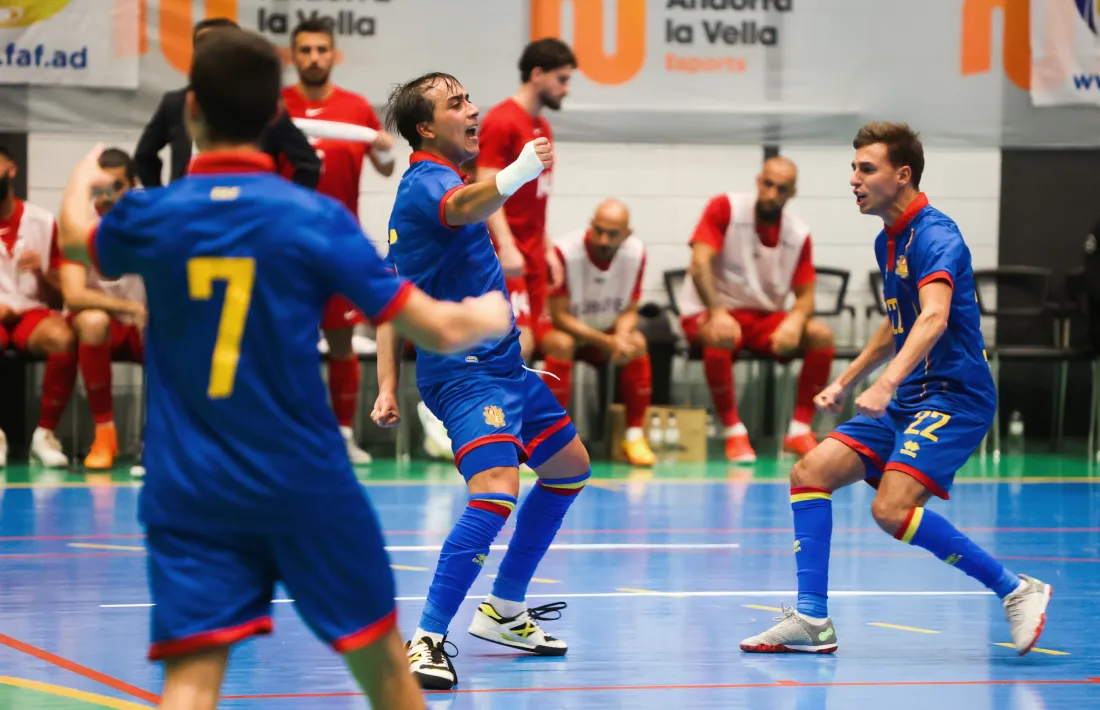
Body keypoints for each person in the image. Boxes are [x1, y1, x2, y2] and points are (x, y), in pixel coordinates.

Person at [57, 29, 512, 710]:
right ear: (278, 116)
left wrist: (84, 173)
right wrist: (482, 317)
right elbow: (429, 322)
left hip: (191, 487)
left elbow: (73, 237)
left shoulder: (153, 215)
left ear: (190, 113)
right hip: (303, 480)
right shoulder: (313, 217)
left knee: (191, 679)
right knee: (387, 670)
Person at [739, 122, 1052, 656]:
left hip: (953, 398)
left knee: (890, 510)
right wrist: (848, 377)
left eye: (866, 169)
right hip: (908, 396)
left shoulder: (935, 235)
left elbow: (933, 318)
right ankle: (812, 619)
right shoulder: (892, 236)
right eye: (853, 169)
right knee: (809, 472)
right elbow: (898, 322)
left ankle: (1016, 589)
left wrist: (885, 383)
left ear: (901, 175)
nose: (854, 180)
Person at [374, 71, 591, 691]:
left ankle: (504, 610)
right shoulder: (430, 183)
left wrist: (388, 386)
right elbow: (466, 205)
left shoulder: (439, 184)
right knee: (496, 491)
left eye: (469, 98)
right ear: (425, 128)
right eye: (456, 104)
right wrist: (517, 172)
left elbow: (390, 300)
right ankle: (427, 639)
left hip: (507, 368)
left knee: (568, 469)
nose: (473, 110)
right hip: (465, 376)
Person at [281, 18, 397, 465]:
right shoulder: (274, 106)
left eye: (321, 50)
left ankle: (343, 435)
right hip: (285, 245)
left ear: (333, 55)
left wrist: (384, 147)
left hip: (339, 244)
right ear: (293, 56)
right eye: (305, 50)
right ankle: (291, 434)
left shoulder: (355, 109)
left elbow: (386, 168)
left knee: (342, 340)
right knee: (286, 340)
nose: (313, 58)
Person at [678, 156, 835, 463]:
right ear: (758, 181)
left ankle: (799, 430)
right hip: (712, 311)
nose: (772, 193)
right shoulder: (725, 208)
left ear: (792, 193)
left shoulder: (798, 234)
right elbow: (699, 265)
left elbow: (805, 294)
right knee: (721, 333)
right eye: (768, 184)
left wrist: (795, 321)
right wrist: (718, 311)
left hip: (762, 318)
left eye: (781, 188)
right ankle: (733, 432)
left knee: (820, 334)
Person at [476, 37, 576, 361]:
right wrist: (505, 246)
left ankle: (515, 414)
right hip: (507, 250)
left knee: (530, 348)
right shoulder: (502, 120)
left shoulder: (541, 125)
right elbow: (485, 185)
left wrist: (547, 249)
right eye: (562, 79)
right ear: (537, 74)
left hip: (531, 250)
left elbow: (535, 196)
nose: (566, 89)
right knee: (517, 345)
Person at [134, 18, 321, 189]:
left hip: (252, 209)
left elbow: (308, 163)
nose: (216, 57)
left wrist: (284, 205)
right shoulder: (175, 103)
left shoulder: (262, 103)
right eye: (206, 48)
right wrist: (160, 197)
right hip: (189, 211)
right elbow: (144, 156)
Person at [538, 199, 655, 466]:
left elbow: (630, 309)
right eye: (598, 230)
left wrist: (621, 337)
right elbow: (559, 316)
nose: (603, 239)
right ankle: (549, 438)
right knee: (562, 344)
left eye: (612, 234)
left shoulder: (636, 253)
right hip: (564, 328)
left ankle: (634, 436)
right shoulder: (565, 251)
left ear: (627, 234)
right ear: (590, 226)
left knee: (637, 342)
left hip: (605, 329)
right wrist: (606, 340)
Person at [59, 147, 146, 470]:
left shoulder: (147, 222)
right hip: (102, 325)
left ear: (133, 184)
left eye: (117, 186)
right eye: (100, 187)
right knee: (93, 321)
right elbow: (74, 293)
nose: (108, 195)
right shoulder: (78, 225)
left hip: (142, 325)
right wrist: (126, 306)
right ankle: (104, 434)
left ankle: (157, 439)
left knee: (166, 330)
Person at [0, 143, 76, 468]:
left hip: (32, 312)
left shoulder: (43, 222)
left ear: (11, 168)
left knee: (63, 338)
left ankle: (44, 435)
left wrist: (41, 275)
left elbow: (61, 297)